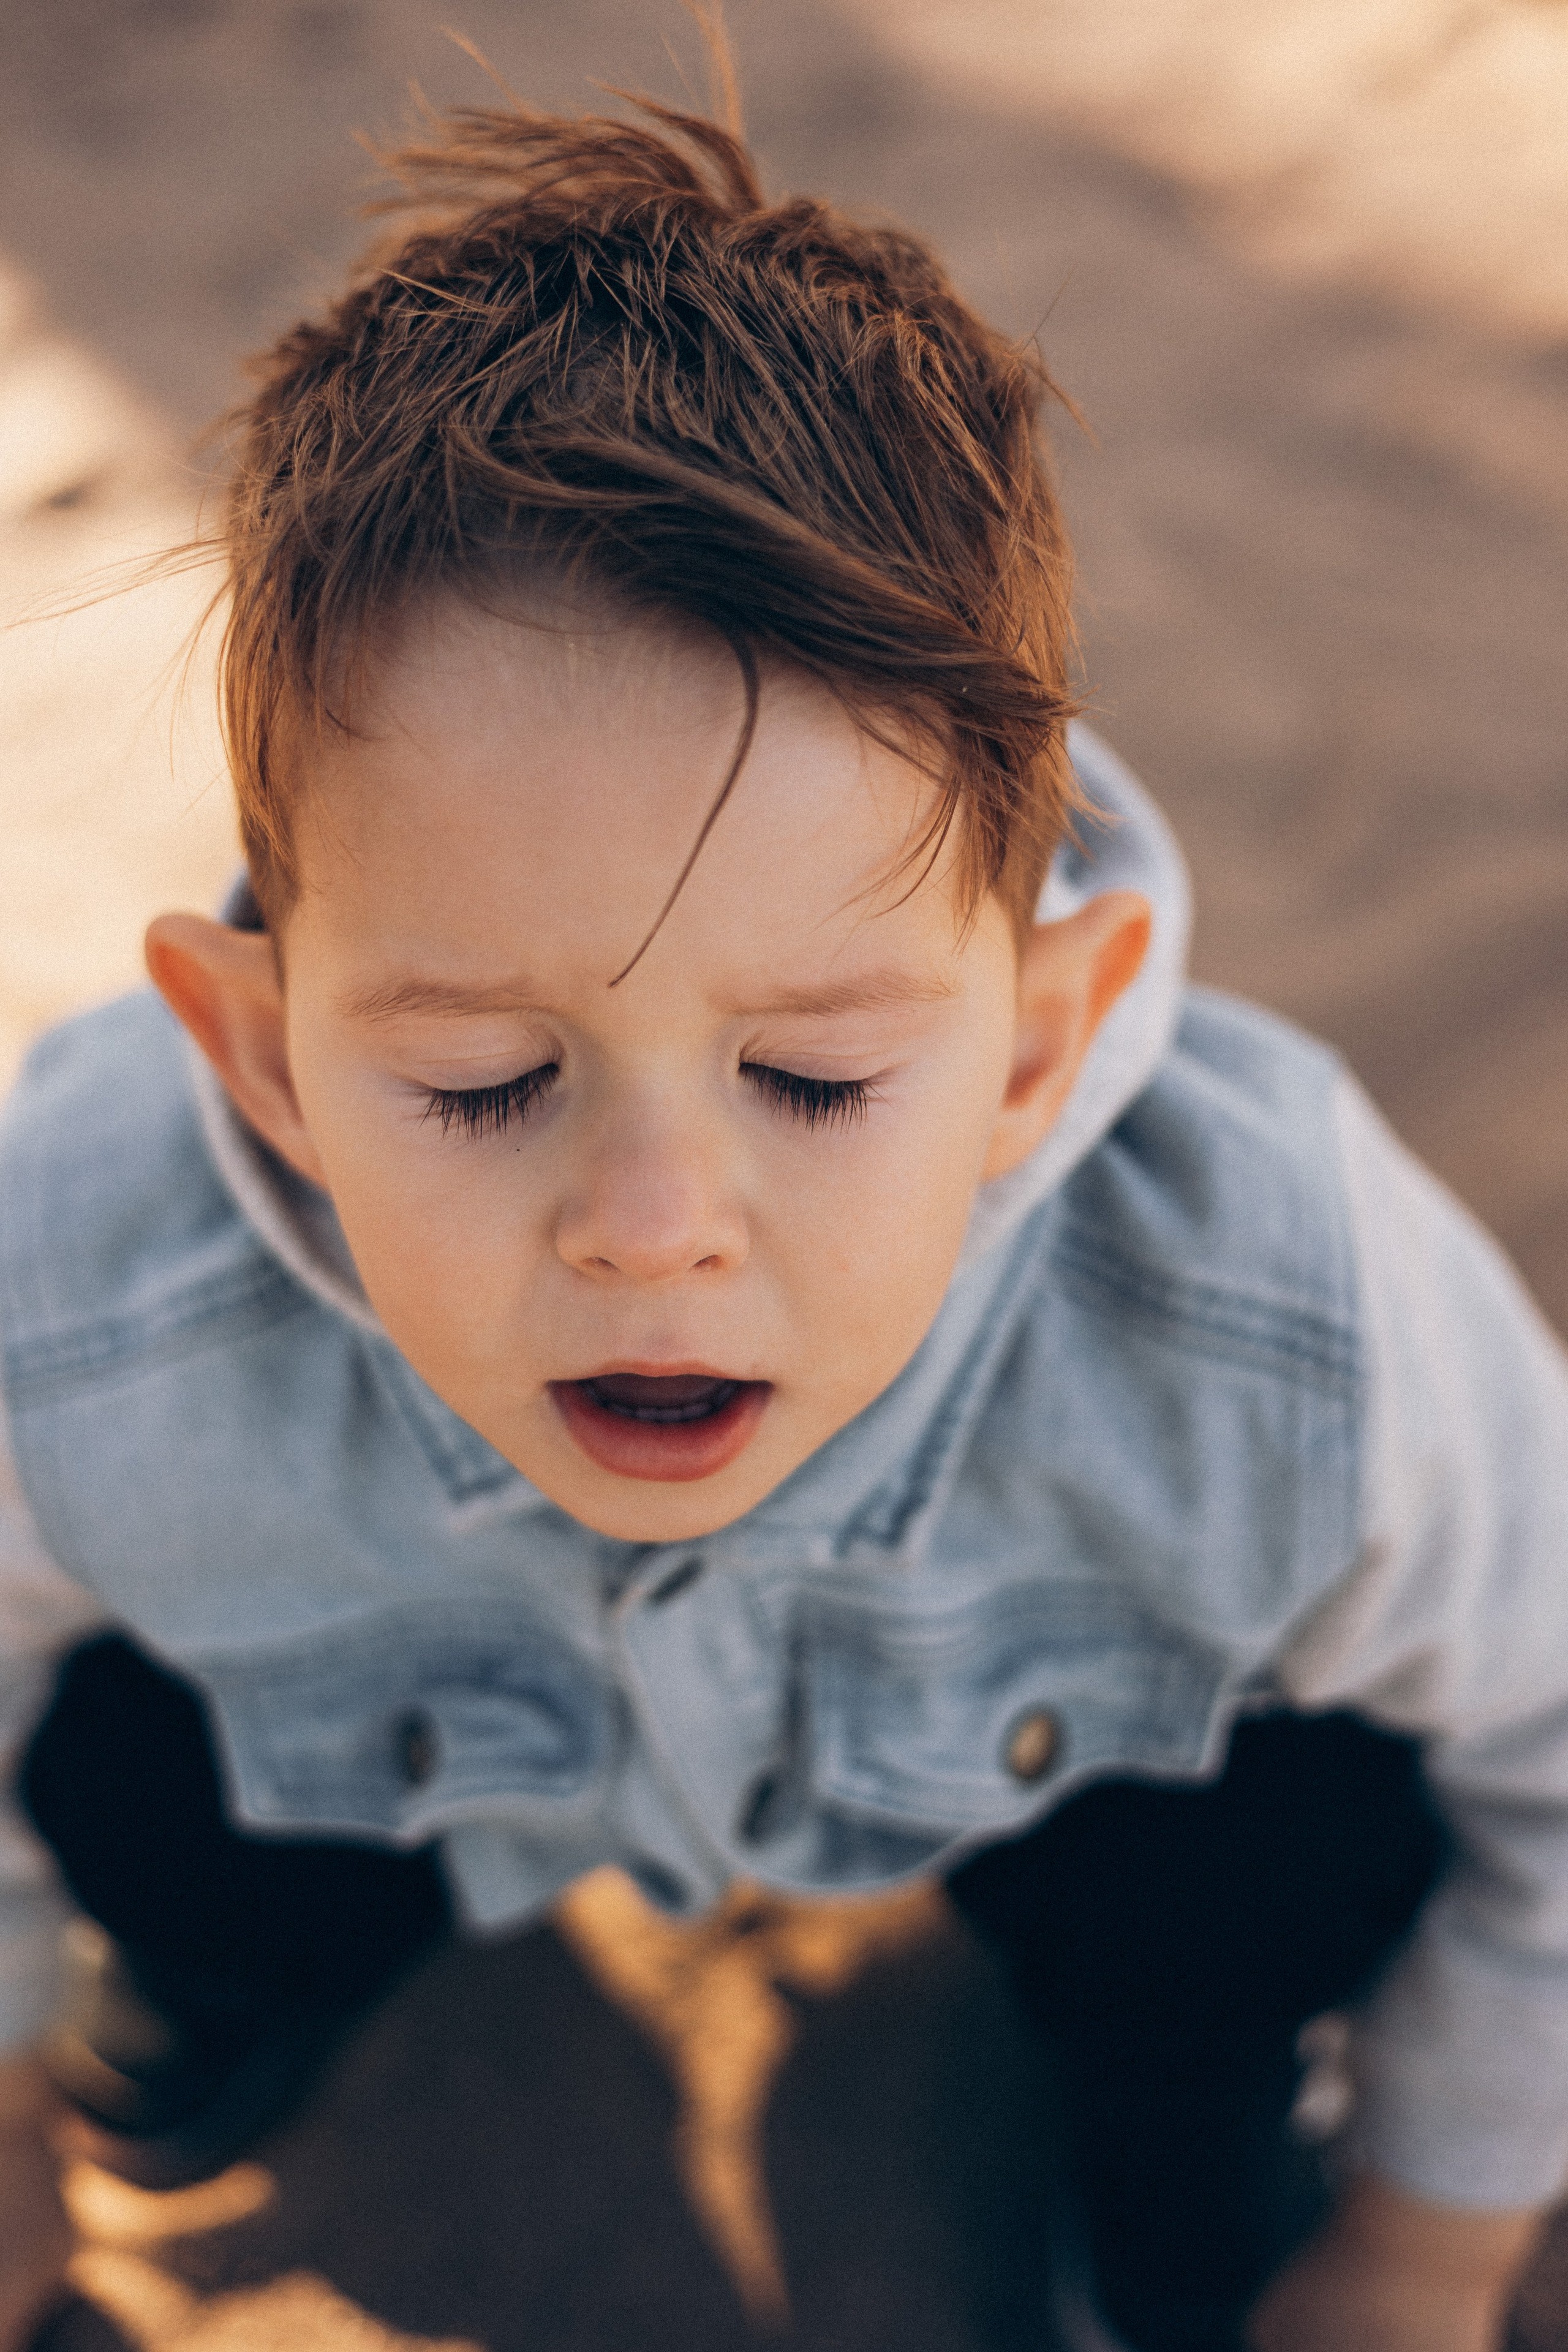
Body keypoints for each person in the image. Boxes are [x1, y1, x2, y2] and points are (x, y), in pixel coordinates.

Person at [0, 77, 1564, 2352]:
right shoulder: (89, 1278)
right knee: (110, 1742)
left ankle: (1171, 2081)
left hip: (1086, 1785)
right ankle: (219, 1986)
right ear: (259, 1057)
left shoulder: (1278, 1304)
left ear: (1035, 1047)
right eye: (484, 1079)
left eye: (817, 1077)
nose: (651, 1226)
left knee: (1312, 1823)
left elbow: (1552, 1731)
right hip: (343, 1759)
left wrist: (1424, 2249)